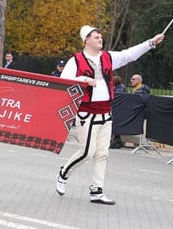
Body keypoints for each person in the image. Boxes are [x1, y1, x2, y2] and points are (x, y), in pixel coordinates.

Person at [56, 25, 164, 205]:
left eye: (100, 36)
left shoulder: (107, 56)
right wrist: (85, 80)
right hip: (87, 112)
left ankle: (97, 191)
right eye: (96, 37)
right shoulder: (76, 60)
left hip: (106, 111)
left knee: (102, 154)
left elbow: (128, 54)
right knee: (87, 153)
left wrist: (150, 43)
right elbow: (64, 81)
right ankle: (63, 174)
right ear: (86, 40)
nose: (100, 39)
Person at [109, 75, 127, 149]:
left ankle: (116, 142)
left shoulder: (119, 89)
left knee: (115, 125)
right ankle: (116, 141)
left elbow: (116, 95)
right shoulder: (119, 88)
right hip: (118, 110)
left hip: (118, 110)